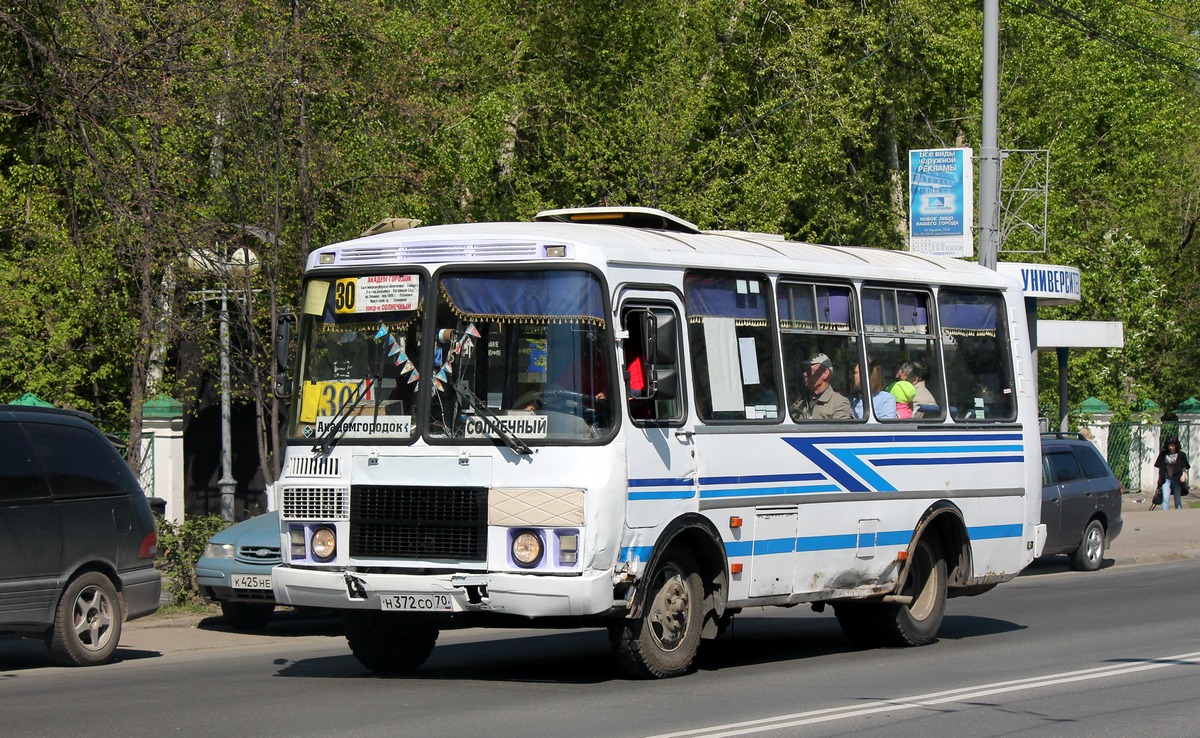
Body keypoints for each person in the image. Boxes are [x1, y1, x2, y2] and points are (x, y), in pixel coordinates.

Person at [790, 352, 852, 420]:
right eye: (803, 370)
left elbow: (840, 429)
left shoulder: (839, 403)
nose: (805, 374)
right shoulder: (799, 403)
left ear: (825, 373)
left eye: (809, 371)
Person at [1154, 436, 1190, 511]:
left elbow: (1184, 466)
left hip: (1176, 479)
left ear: (1176, 445)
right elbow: (1160, 467)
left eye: (1172, 445)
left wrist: (1184, 475)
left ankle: (1179, 515)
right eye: (1169, 445)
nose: (1171, 447)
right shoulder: (1164, 454)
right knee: (1166, 498)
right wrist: (1159, 478)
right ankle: (1165, 515)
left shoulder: (1181, 455)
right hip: (1166, 479)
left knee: (1177, 499)